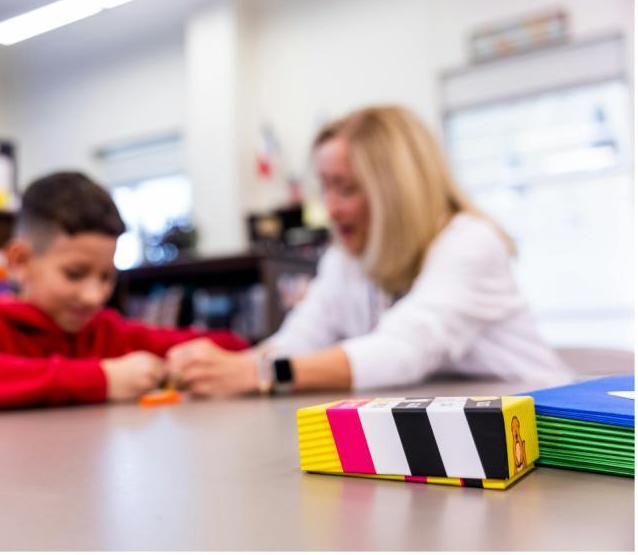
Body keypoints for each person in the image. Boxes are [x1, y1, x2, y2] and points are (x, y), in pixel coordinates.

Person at [166, 105, 572, 396]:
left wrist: (260, 371)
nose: (331, 207)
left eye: (346, 187)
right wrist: (223, 367)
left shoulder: (470, 242)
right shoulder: (346, 258)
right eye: (324, 187)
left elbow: (404, 350)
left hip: (544, 434)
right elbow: (299, 339)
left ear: (397, 190)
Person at [0, 172, 248, 414]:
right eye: (74, 274)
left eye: (107, 277)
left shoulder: (106, 332)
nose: (94, 296)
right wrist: (101, 379)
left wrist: (192, 361)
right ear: (19, 261)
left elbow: (233, 346)